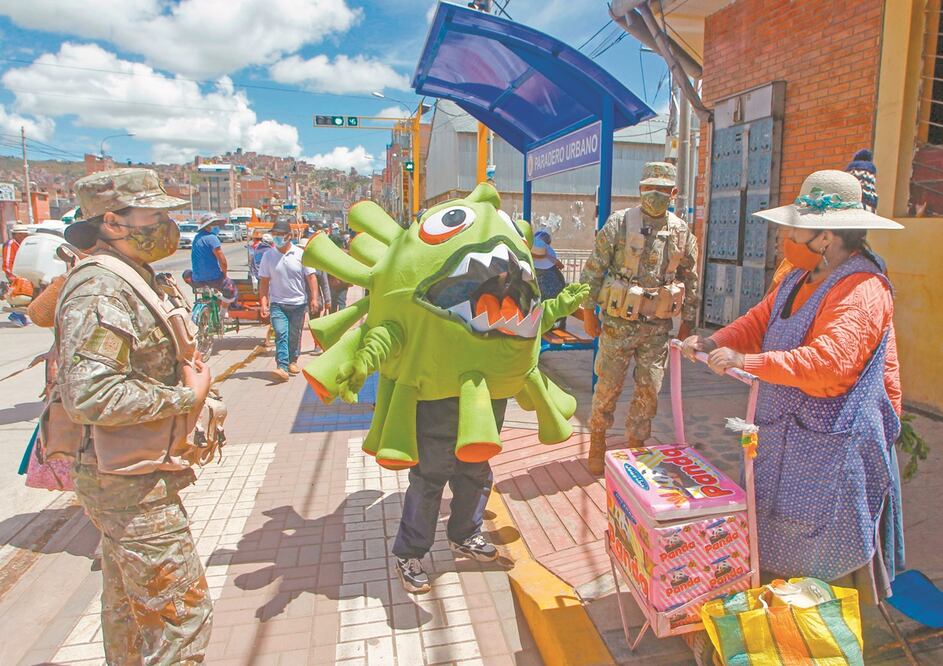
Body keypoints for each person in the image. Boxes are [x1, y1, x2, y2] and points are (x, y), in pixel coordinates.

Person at [682, 169, 905, 605]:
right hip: (787, 444)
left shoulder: (863, 289)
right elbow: (760, 320)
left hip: (832, 455)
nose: (784, 234)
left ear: (825, 237)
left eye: (795, 227)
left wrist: (748, 362)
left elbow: (830, 364)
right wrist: (715, 341)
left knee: (825, 581)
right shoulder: (796, 278)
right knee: (779, 553)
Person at [56, 168, 214, 663]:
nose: (168, 226)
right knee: (181, 617)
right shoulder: (102, 288)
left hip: (130, 472)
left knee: (127, 606)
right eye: (155, 215)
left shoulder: (129, 277)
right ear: (113, 222)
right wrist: (185, 398)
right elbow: (90, 393)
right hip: (126, 481)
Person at [579, 162, 699, 474]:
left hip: (657, 329)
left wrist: (688, 321)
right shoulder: (619, 224)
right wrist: (587, 312)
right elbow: (593, 269)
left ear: (674, 193)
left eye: (662, 189)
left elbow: (691, 278)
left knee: (650, 389)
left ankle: (636, 444)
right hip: (618, 325)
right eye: (649, 188)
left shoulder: (682, 233)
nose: (655, 195)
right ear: (639, 189)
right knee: (607, 385)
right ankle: (598, 438)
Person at [392, 399, 506, 594]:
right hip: (436, 411)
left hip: (481, 412)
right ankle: (409, 553)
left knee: (475, 477)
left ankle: (464, 535)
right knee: (427, 483)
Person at [259, 219, 328, 381]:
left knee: (294, 335)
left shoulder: (300, 254)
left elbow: (311, 277)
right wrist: (263, 303)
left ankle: (292, 360)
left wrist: (314, 298)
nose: (277, 238)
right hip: (277, 303)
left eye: (280, 235)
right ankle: (281, 366)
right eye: (274, 235)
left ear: (289, 236)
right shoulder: (268, 256)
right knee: (281, 333)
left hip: (298, 303)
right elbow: (263, 281)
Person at [190, 213, 237, 304]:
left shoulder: (197, 237)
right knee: (231, 288)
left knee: (186, 273)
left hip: (197, 279)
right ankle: (223, 313)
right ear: (207, 226)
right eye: (214, 224)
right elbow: (222, 260)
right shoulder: (212, 238)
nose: (217, 227)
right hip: (213, 279)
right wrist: (224, 274)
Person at [532, 229, 567, 329]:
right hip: (558, 321)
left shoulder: (532, 275)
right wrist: (548, 256)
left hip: (541, 321)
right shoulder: (557, 275)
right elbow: (561, 265)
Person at [3, 224, 31, 326]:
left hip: (23, 275)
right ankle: (16, 315)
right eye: (24, 234)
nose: (25, 236)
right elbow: (7, 261)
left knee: (26, 296)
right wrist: (10, 275)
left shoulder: (24, 244)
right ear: (17, 234)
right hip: (15, 276)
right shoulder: (11, 244)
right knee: (19, 296)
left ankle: (21, 316)